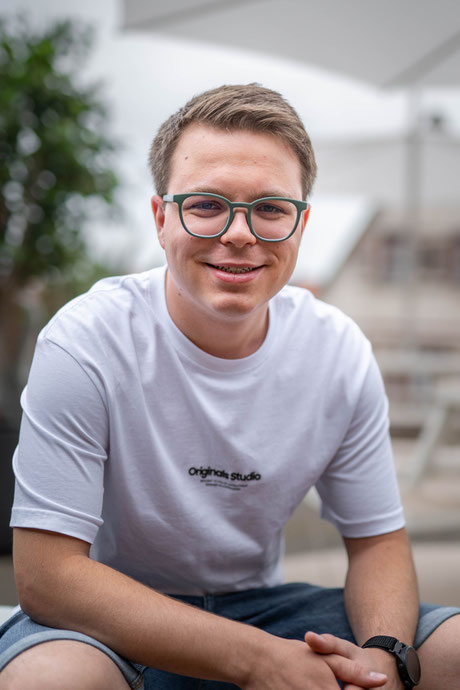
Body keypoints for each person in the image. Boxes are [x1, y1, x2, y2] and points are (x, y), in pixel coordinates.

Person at [0, 83, 458, 690]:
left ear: (300, 225)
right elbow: (48, 576)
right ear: (161, 218)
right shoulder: (87, 341)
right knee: (52, 679)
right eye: (207, 204)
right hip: (107, 620)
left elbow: (377, 541)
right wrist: (257, 660)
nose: (240, 232)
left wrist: (385, 656)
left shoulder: (337, 352)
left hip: (265, 609)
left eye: (270, 209)